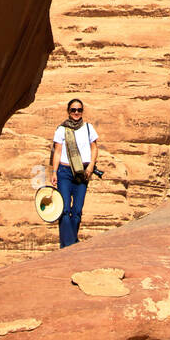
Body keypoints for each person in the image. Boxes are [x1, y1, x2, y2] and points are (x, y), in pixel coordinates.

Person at [50, 98, 99, 248]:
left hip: (82, 172)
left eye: (79, 110)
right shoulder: (62, 129)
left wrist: (91, 166)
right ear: (68, 111)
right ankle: (70, 245)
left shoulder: (89, 128)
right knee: (64, 209)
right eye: (73, 110)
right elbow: (57, 152)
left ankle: (68, 242)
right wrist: (54, 172)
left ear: (82, 111)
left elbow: (94, 148)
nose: (76, 113)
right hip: (64, 172)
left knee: (77, 210)